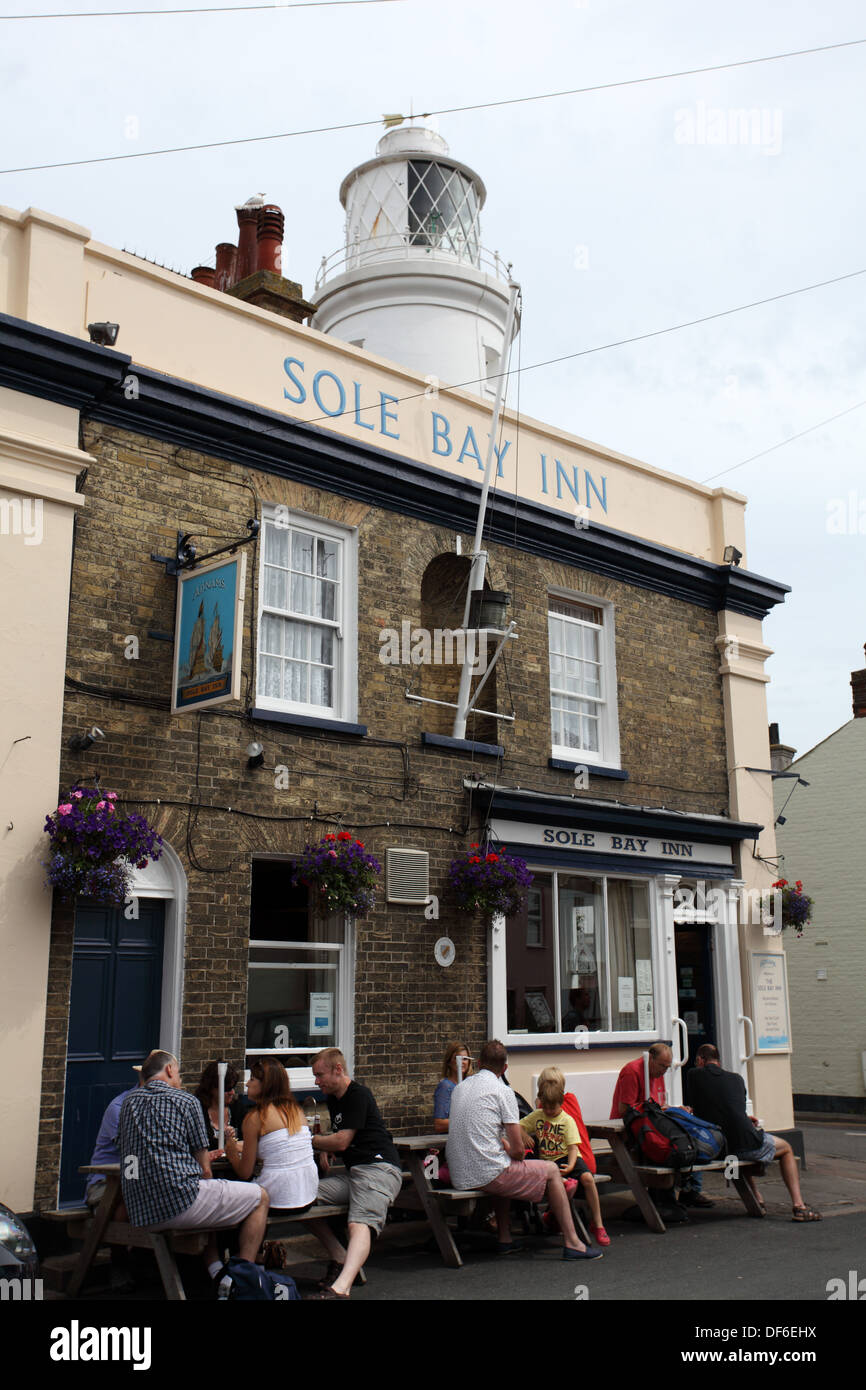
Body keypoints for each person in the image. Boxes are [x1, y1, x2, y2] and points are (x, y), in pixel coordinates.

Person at [447, 1039, 602, 1260]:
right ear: (505, 1068)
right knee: (549, 1169)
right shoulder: (503, 1091)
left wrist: (503, 1149)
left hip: (459, 1174)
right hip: (487, 1174)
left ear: (479, 1062)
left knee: (502, 1165)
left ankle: (504, 1239)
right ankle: (572, 1242)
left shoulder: (459, 1088)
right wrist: (510, 1148)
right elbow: (519, 1152)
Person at [118, 1049, 269, 1271]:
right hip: (177, 1204)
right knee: (260, 1197)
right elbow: (204, 1169)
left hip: (139, 1209)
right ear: (169, 1069)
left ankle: (216, 1270)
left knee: (211, 1193)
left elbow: (129, 1154)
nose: (179, 1080)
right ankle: (242, 1276)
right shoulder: (186, 1101)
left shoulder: (128, 1103)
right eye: (179, 1074)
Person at [305, 1048, 403, 1299]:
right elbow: (337, 1138)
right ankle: (339, 1255)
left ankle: (341, 1287)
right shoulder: (334, 1098)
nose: (316, 1081)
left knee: (358, 1223)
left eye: (320, 1074)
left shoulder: (358, 1095)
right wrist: (326, 1145)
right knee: (300, 1197)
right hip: (356, 1174)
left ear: (338, 1069)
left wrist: (312, 1140)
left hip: (379, 1169)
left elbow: (341, 1141)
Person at [687, 1044, 821, 1222]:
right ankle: (799, 1206)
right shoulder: (737, 1079)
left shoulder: (693, 1075)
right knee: (787, 1148)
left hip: (718, 1150)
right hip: (739, 1148)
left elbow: (705, 1108)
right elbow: (733, 1108)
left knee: (738, 1147)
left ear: (700, 1060)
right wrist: (745, 1118)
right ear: (718, 1060)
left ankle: (757, 1199)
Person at [611, 1043, 711, 1209]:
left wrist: (674, 1109)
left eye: (667, 1067)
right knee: (669, 1144)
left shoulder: (657, 1072)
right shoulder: (632, 1071)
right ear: (650, 1059)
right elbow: (625, 1109)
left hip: (651, 1122)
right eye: (662, 1066)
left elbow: (659, 1104)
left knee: (688, 1137)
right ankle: (667, 1197)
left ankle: (688, 1190)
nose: (664, 1071)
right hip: (634, 1124)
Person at [521, 1065, 610, 1247]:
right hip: (550, 1161)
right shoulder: (540, 1114)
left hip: (567, 1158)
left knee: (586, 1178)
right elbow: (519, 1124)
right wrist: (522, 1133)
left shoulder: (565, 1117)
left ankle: (598, 1224)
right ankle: (555, 1214)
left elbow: (572, 1147)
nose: (549, 1110)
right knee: (561, 1182)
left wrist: (570, 1165)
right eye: (546, 1106)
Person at [224, 1057, 318, 1213]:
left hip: (277, 1200)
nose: (247, 1084)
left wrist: (231, 1152)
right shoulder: (296, 1111)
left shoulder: (255, 1117)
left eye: (252, 1079)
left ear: (265, 1085)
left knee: (226, 1199)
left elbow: (244, 1173)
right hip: (308, 1195)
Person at [194, 1060, 241, 1153]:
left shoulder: (238, 1109)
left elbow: (247, 1143)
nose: (232, 1093)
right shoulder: (197, 1110)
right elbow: (201, 1145)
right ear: (212, 1088)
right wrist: (229, 1142)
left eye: (233, 1088)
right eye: (226, 1089)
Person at [433, 1041, 473, 1134]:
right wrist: (469, 1122)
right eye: (457, 1058)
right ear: (449, 1061)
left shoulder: (471, 1084)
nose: (462, 1062)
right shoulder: (445, 1086)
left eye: (465, 1059)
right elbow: (439, 1124)